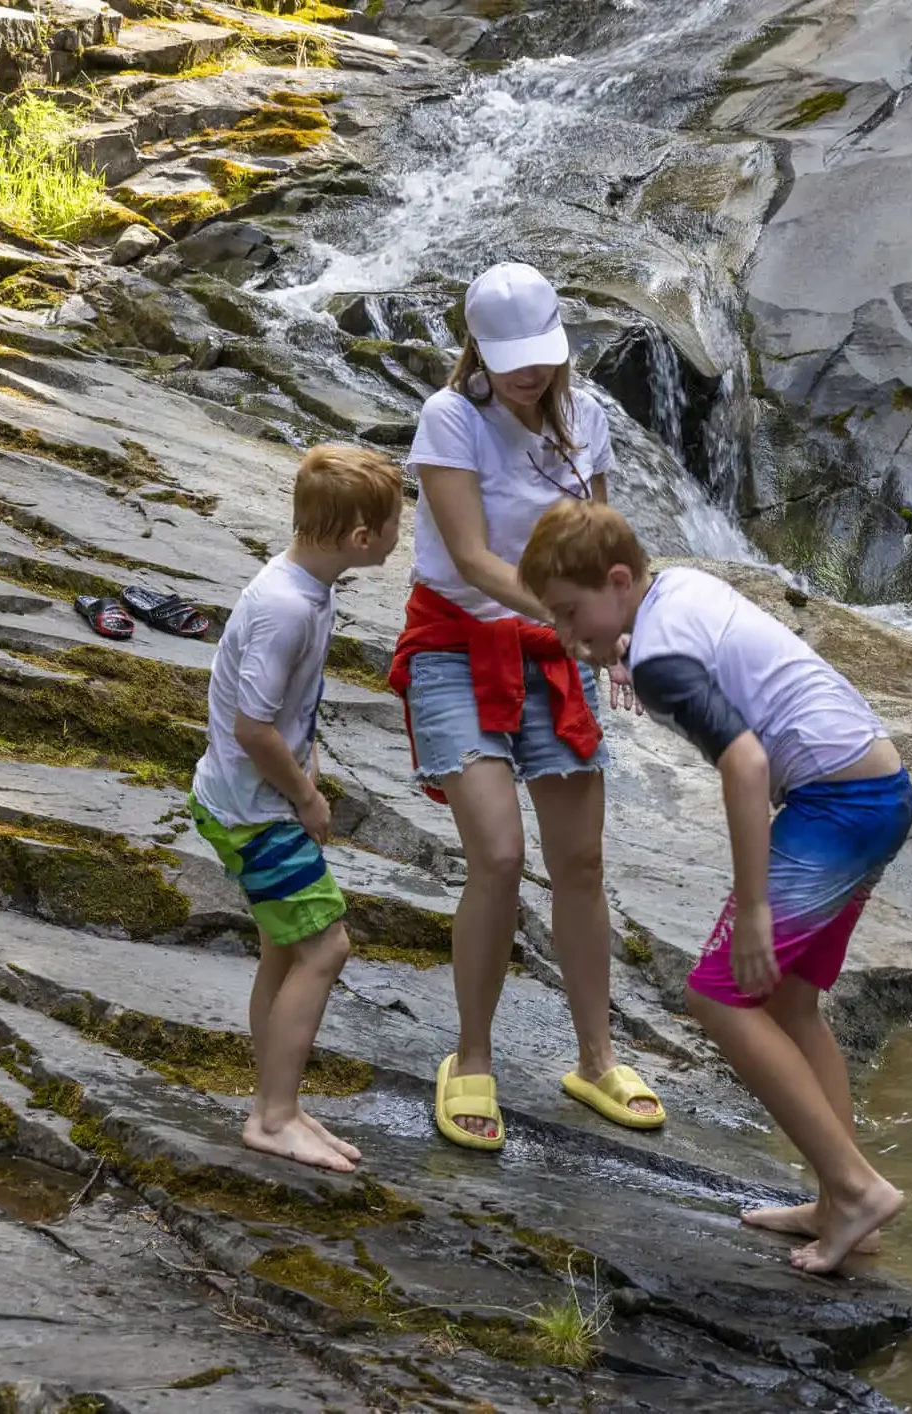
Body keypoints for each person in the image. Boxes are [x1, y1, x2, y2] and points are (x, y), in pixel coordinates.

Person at [519, 499, 912, 1275]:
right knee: (791, 1002)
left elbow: (746, 763)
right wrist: (623, 652)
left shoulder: (661, 658)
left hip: (833, 805)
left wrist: (757, 904)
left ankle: (855, 1188)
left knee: (716, 994)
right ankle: (842, 1205)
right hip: (882, 788)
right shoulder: (679, 594)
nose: (569, 640)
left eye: (572, 615)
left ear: (619, 579)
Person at [390, 260, 664, 1151]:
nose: (529, 373)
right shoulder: (450, 418)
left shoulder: (585, 419)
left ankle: (595, 1057)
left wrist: (619, 632)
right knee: (500, 855)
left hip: (558, 652)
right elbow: (469, 557)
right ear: (477, 345)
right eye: (512, 358)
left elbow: (603, 543)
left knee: (579, 863)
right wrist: (571, 621)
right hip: (458, 647)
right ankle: (470, 1057)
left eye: (540, 356)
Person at [189, 445, 404, 1173]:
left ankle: (278, 1099)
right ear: (361, 539)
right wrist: (307, 796)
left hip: (254, 797)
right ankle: (273, 1116)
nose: (399, 534)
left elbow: (273, 715)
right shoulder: (284, 606)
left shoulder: (311, 585)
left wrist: (302, 759)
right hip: (255, 811)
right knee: (326, 946)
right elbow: (251, 728)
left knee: (285, 950)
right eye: (394, 523)